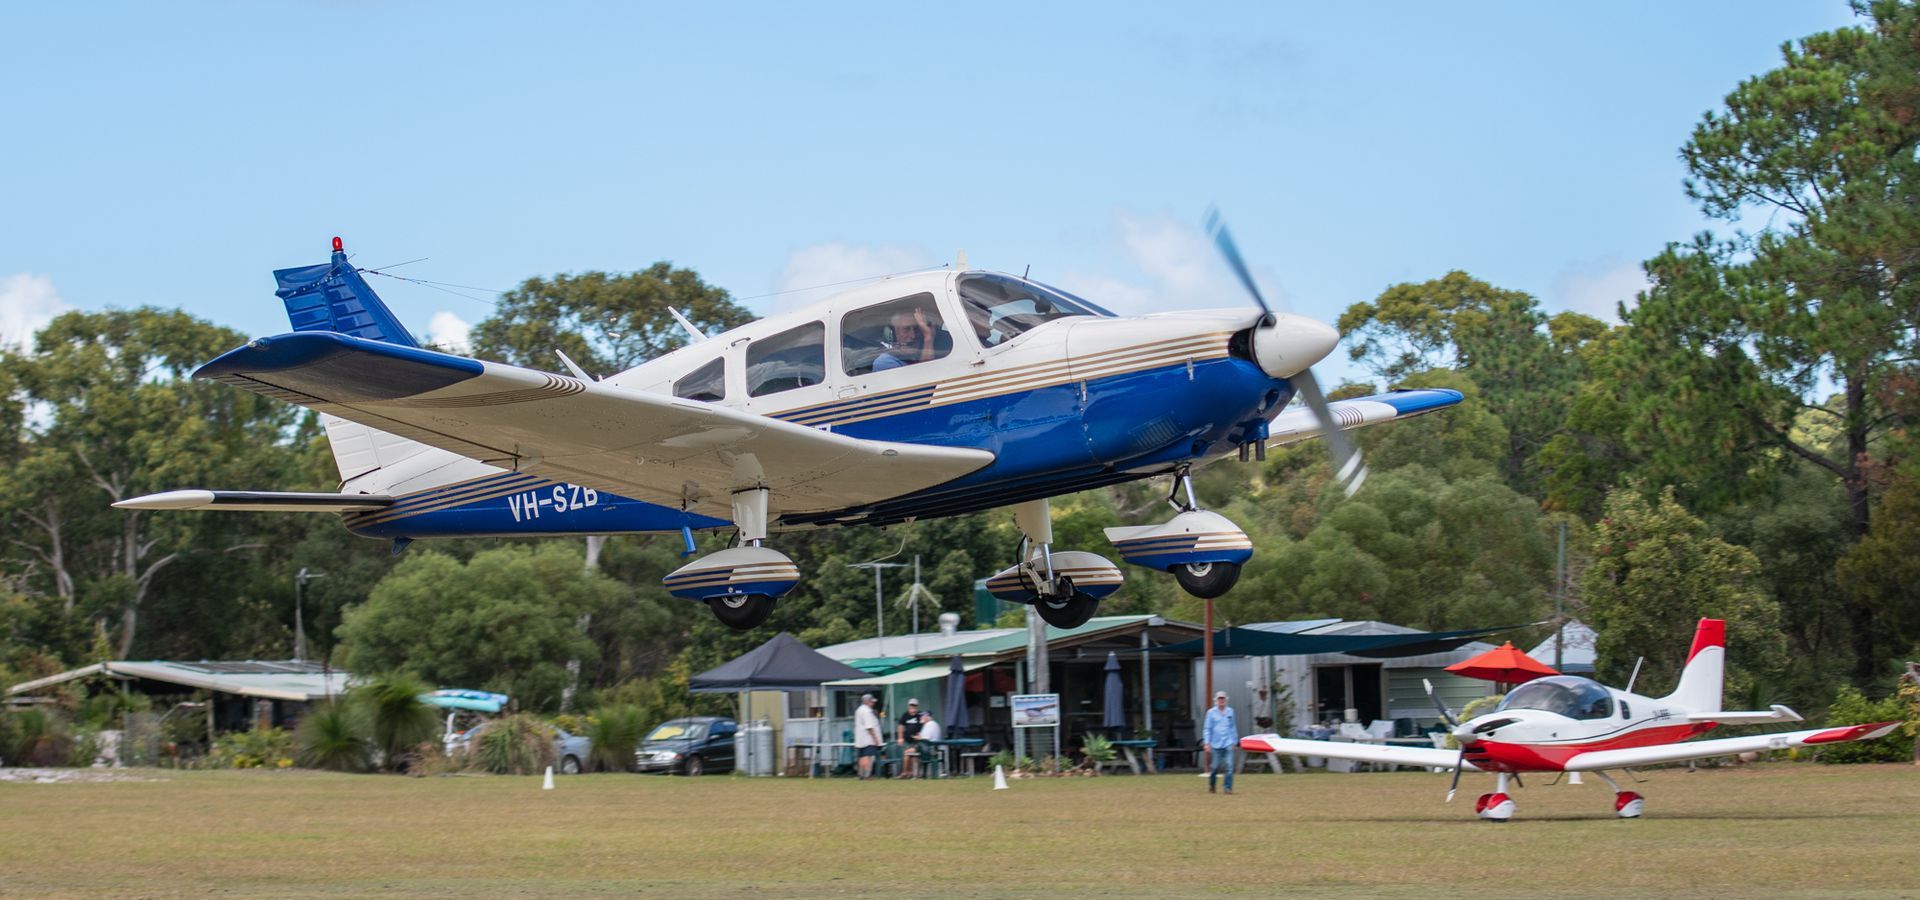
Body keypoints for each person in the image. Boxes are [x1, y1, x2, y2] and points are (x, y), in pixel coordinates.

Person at [873, 306, 940, 370]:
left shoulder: (921, 355)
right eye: (906, 329)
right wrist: (928, 338)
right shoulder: (884, 362)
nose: (913, 336)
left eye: (916, 329)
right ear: (893, 334)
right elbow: (926, 376)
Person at [1203, 690, 1238, 795]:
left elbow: (1232, 727)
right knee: (1215, 767)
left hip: (1228, 742)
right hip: (1215, 743)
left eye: (1223, 699)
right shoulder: (1211, 712)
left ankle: (1227, 788)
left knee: (1229, 765)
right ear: (1216, 700)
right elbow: (1207, 729)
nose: (1221, 701)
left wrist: (1234, 741)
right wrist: (1207, 743)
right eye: (1219, 699)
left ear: (1226, 700)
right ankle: (1212, 785)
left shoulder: (1230, 711)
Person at [854, 693, 884, 780]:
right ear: (867, 702)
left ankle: (861, 774)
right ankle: (867, 775)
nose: (873, 703)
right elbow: (869, 726)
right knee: (868, 756)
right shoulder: (867, 711)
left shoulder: (859, 710)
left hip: (860, 738)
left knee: (862, 756)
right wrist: (875, 738)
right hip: (868, 738)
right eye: (872, 702)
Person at [895, 698, 926, 778]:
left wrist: (920, 734)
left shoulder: (920, 715)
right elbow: (900, 726)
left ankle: (908, 773)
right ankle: (906, 772)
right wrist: (900, 738)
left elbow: (925, 723)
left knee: (910, 755)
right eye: (911, 706)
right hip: (907, 740)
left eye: (914, 706)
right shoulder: (905, 715)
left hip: (916, 741)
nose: (913, 708)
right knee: (906, 754)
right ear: (908, 706)